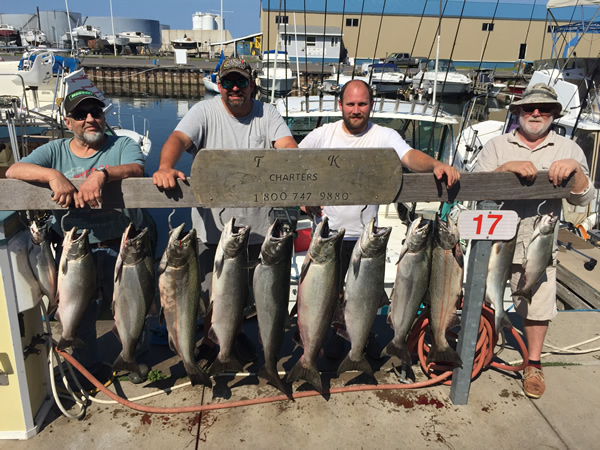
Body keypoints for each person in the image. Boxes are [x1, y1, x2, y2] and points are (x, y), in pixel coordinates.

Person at [298, 79, 460, 359]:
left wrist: (435, 164)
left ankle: (358, 341)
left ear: (371, 106)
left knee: (364, 298)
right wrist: (304, 193)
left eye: (362, 104)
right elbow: (292, 163)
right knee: (327, 297)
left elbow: (409, 157)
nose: (356, 110)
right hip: (328, 237)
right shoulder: (323, 134)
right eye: (350, 104)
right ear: (341, 106)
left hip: (367, 238)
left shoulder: (384, 136)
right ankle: (320, 342)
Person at [152, 57, 297, 365]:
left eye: (241, 82)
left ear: (252, 85)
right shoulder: (204, 111)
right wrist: (166, 166)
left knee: (250, 295)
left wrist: (287, 164)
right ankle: (210, 342)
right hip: (212, 229)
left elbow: (287, 146)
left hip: (259, 229)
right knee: (209, 293)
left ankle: (239, 339)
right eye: (228, 83)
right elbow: (178, 139)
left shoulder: (267, 112)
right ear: (218, 86)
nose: (234, 88)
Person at [6, 89, 148, 379]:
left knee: (130, 305)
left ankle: (131, 355)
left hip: (117, 247)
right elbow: (13, 170)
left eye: (96, 113)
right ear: (68, 122)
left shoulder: (121, 144)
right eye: (81, 115)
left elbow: (137, 168)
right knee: (80, 312)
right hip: (73, 250)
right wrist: (52, 176)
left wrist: (102, 175)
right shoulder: (54, 151)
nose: (90, 119)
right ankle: (88, 367)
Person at [473, 83, 593, 399]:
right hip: (497, 243)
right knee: (483, 299)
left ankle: (533, 363)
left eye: (543, 108)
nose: (536, 113)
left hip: (539, 246)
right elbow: (475, 189)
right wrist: (505, 170)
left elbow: (584, 200)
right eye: (529, 108)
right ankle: (478, 349)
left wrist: (577, 173)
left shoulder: (570, 148)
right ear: (519, 112)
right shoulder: (497, 145)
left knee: (538, 307)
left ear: (554, 113)